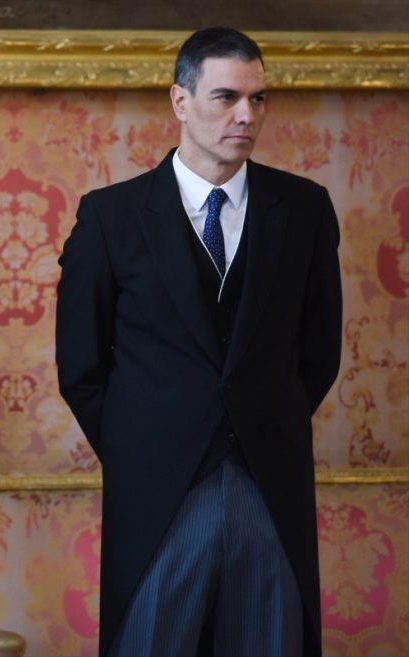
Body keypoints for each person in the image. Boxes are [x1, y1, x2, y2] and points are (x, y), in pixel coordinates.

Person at [56, 27, 342, 657]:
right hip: (157, 492)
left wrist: (266, 422)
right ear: (180, 102)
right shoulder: (109, 217)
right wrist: (143, 448)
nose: (246, 115)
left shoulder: (306, 210)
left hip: (269, 484)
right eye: (226, 97)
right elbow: (80, 366)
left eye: (259, 99)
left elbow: (319, 352)